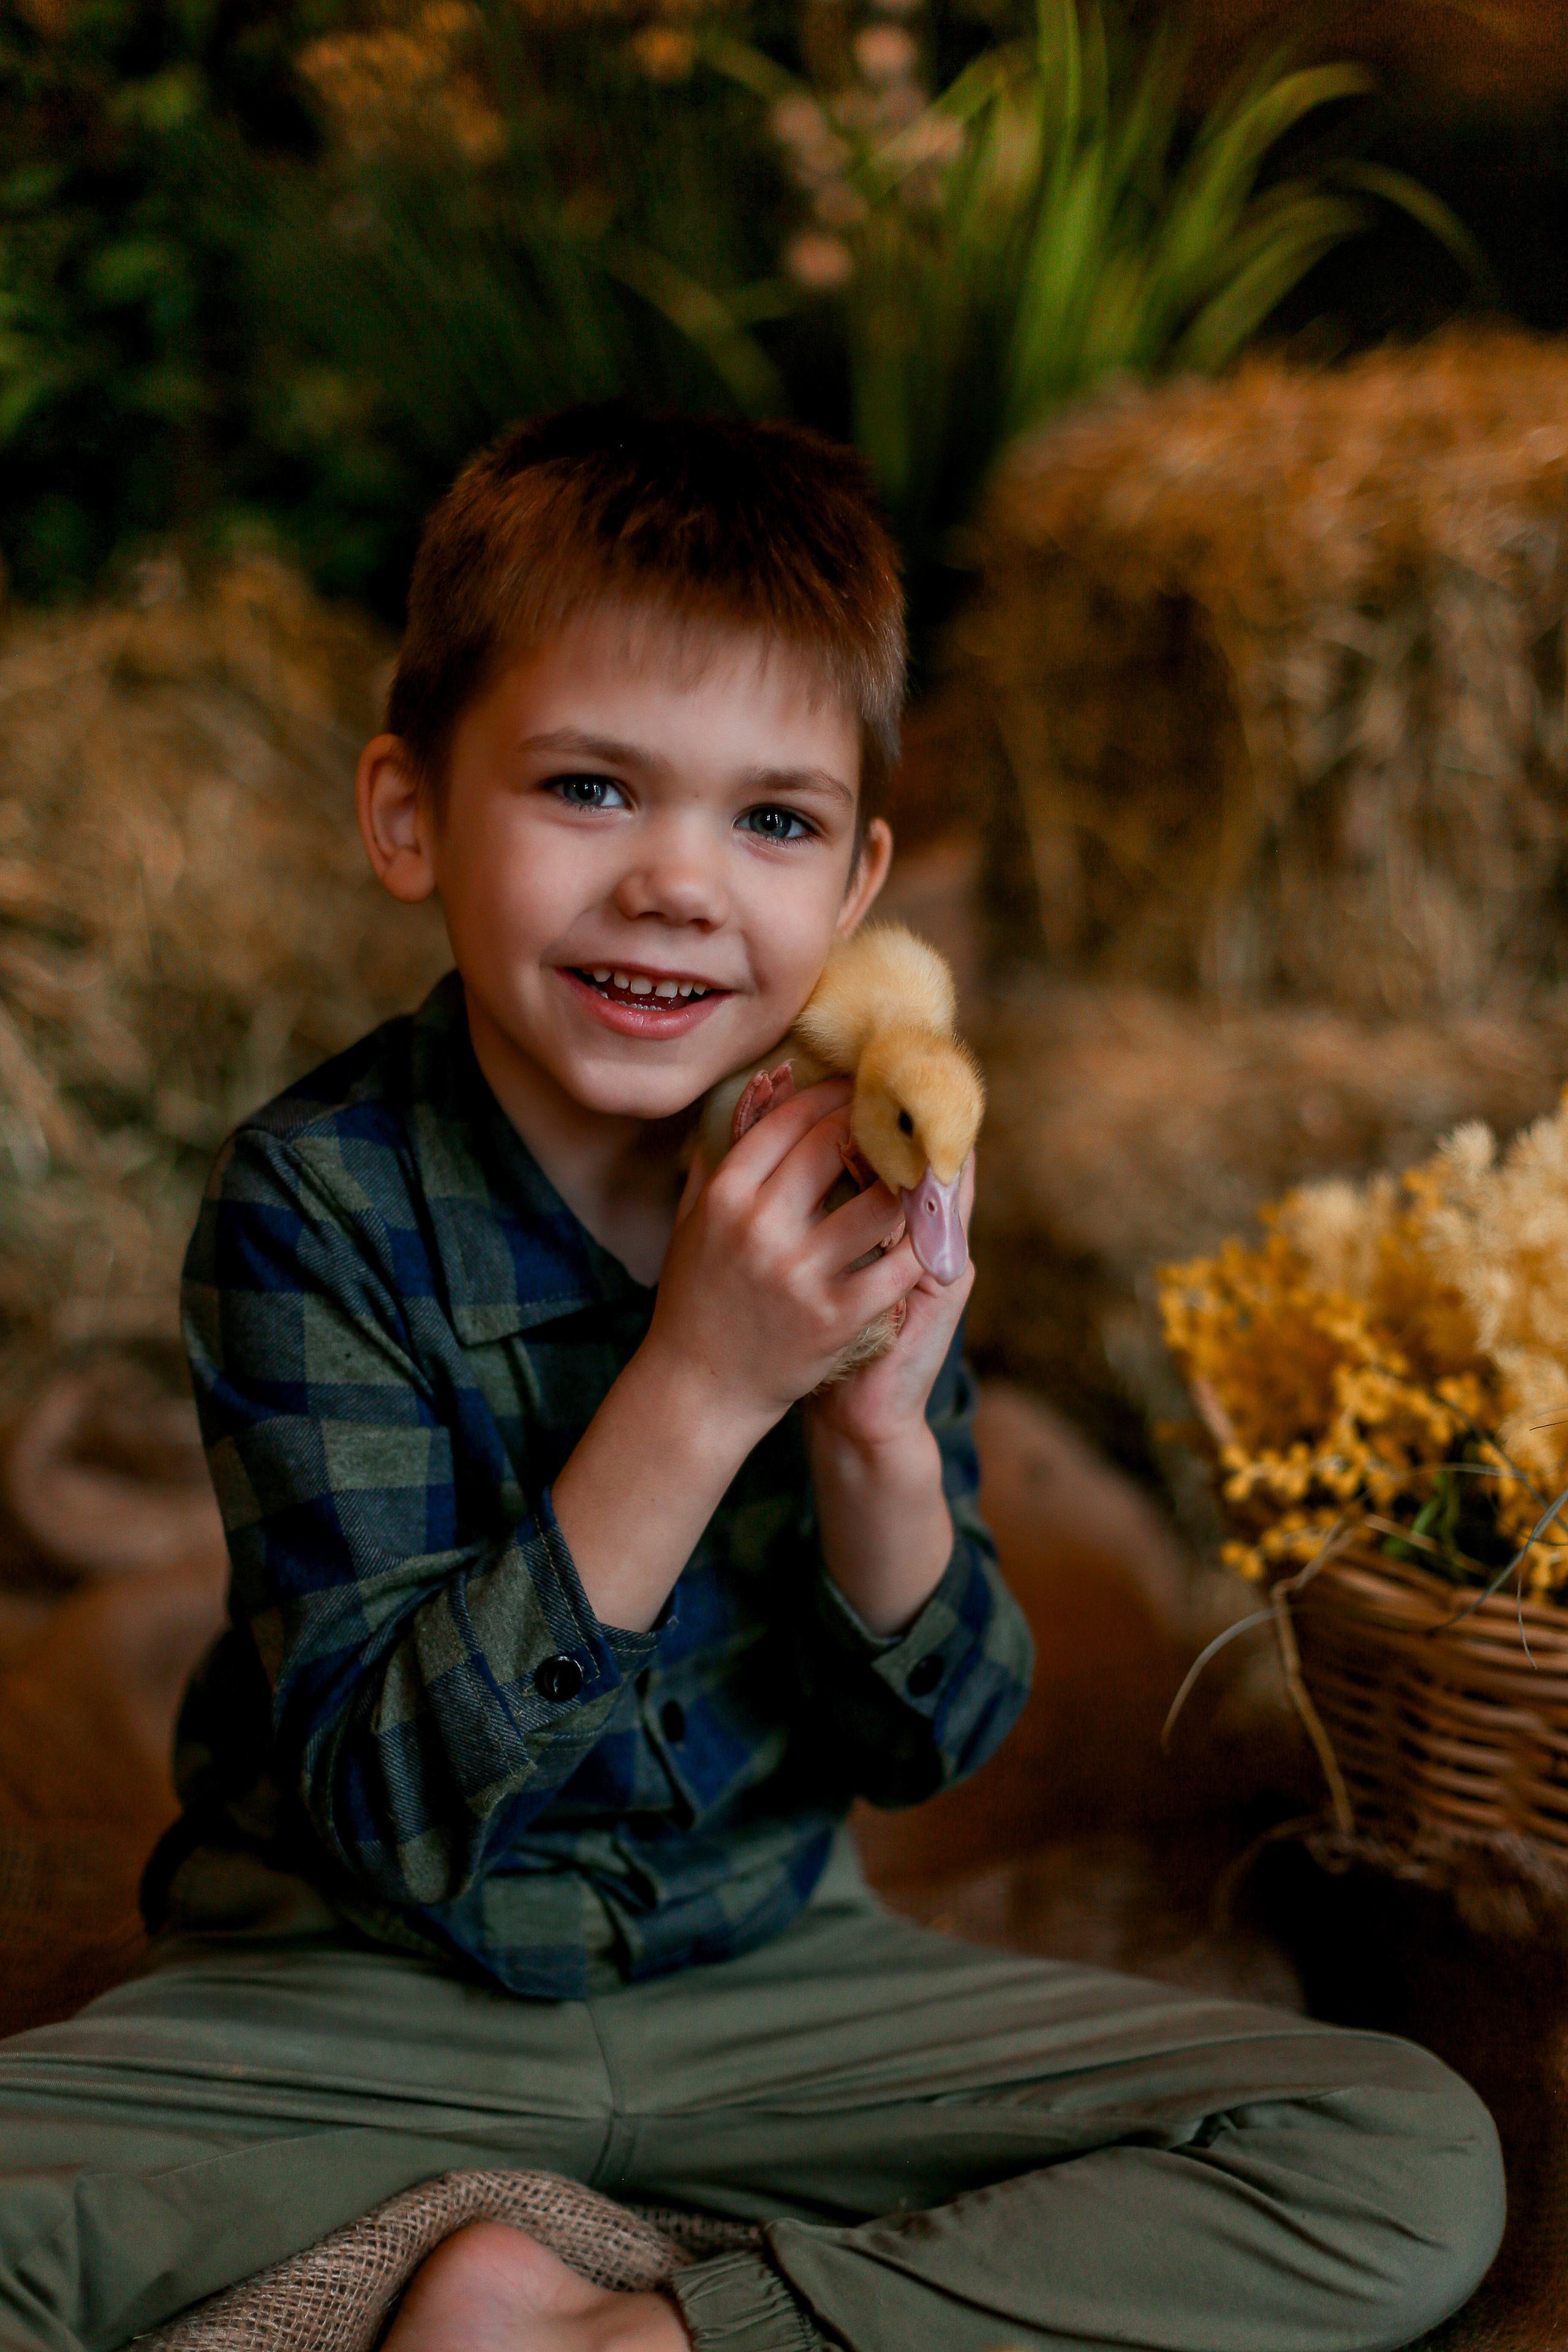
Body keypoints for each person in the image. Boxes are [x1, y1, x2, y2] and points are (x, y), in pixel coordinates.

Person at [0, 408, 1504, 2352]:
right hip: (355, 1995)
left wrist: (876, 1435)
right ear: (408, 817)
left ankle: (652, 2333)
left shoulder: (854, 1161)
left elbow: (931, 1738)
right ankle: (484, 2234)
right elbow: (394, 1807)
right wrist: (703, 1387)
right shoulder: (318, 1204)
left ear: (859, 887)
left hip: (771, 1974)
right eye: (590, 790)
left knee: (1404, 2152)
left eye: (772, 820)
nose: (680, 886)